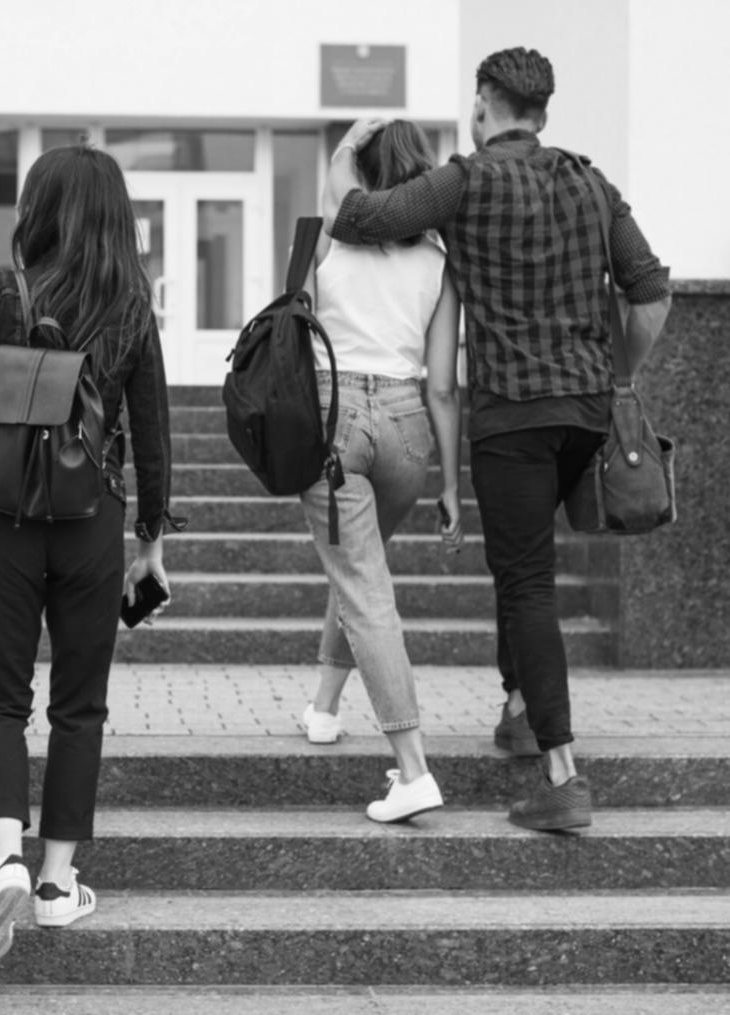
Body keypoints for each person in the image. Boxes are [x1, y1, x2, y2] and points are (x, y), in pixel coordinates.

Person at [323, 48, 672, 831]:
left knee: (524, 581)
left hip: (512, 412)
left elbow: (358, 218)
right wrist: (618, 371)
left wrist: (347, 153)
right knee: (524, 565)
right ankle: (517, 705)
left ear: (485, 102)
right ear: (541, 110)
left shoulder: (463, 179)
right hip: (583, 408)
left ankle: (561, 773)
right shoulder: (589, 179)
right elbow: (648, 290)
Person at [0, 143, 180, 961]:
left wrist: (14, 376)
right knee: (80, 702)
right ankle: (57, 884)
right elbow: (155, 434)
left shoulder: (9, 291)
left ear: (38, 210)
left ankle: (3, 859)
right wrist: (151, 543)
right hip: (93, 516)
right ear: (115, 216)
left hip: (0, 512)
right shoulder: (132, 303)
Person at [298, 121, 465, 823]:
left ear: (359, 173)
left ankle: (413, 768)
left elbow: (293, 323)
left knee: (363, 584)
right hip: (405, 428)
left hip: (333, 418)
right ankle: (323, 707)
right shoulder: (437, 258)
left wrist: (342, 151)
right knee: (358, 567)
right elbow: (442, 386)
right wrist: (451, 483)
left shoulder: (328, 236)